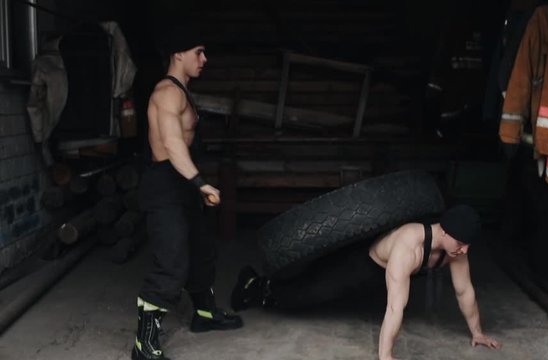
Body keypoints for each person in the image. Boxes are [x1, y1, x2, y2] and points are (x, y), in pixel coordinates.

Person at [231, 204, 501, 360]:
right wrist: (386, 357)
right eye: (462, 243)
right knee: (304, 295)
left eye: (467, 245)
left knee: (317, 293)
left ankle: (264, 287)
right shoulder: (410, 245)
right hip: (360, 267)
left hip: (382, 275)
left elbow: (464, 291)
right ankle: (258, 286)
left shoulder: (455, 251)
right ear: (445, 231)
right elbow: (396, 307)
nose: (465, 250)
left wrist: (477, 332)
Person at [133, 26, 242, 360]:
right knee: (172, 261)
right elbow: (172, 143)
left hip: (181, 182)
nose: (204, 59)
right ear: (178, 53)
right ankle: (144, 345)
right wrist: (201, 183)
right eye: (199, 51)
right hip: (165, 184)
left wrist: (193, 184)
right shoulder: (167, 93)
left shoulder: (182, 90)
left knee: (201, 249)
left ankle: (204, 314)